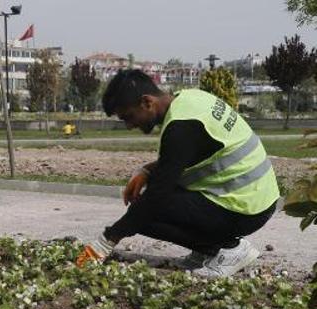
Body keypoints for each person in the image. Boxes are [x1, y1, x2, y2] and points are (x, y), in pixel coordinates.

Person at [76, 70, 279, 277]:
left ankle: (231, 248)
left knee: (146, 211)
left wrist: (107, 240)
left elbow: (156, 197)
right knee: (146, 208)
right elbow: (188, 156)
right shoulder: (189, 100)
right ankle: (207, 251)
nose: (129, 125)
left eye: (129, 117)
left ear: (147, 102)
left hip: (246, 208)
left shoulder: (181, 128)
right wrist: (146, 171)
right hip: (258, 197)